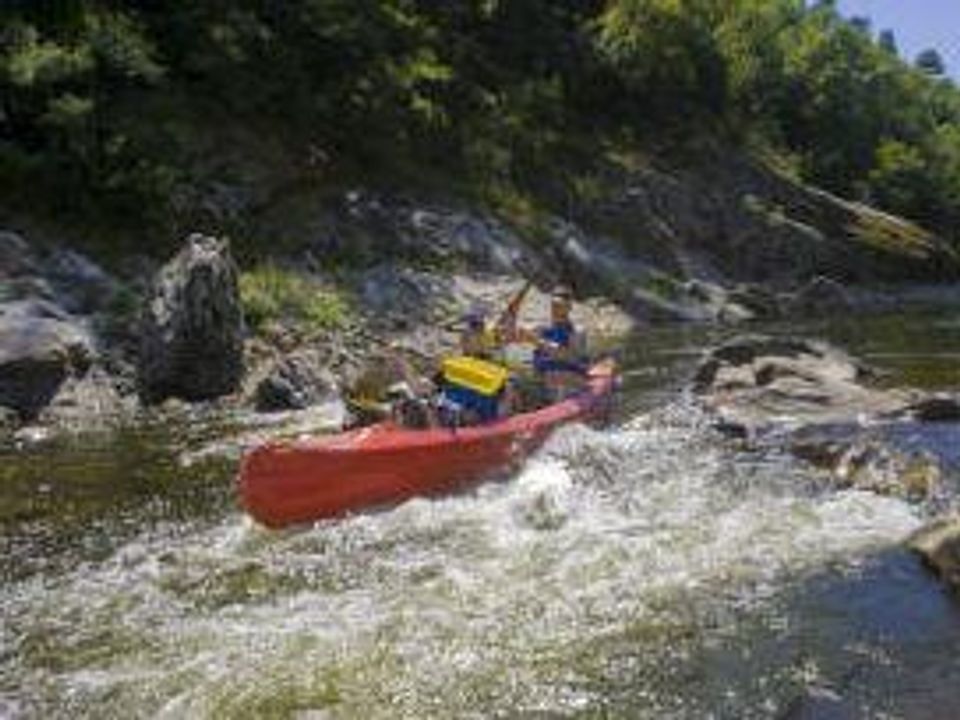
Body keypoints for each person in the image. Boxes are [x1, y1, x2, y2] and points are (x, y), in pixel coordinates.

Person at [532, 286, 588, 400]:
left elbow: (570, 357)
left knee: (558, 382)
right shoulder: (541, 329)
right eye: (554, 305)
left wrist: (540, 342)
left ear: (569, 307)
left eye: (561, 305)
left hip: (568, 378)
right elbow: (513, 334)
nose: (556, 309)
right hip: (543, 378)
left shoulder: (577, 331)